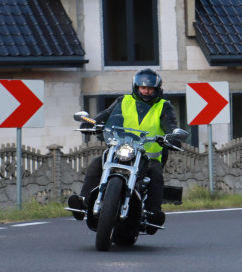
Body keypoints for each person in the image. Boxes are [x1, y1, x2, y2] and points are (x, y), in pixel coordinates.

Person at [68, 69, 178, 232]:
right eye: (142, 88)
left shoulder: (164, 106)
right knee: (97, 162)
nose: (146, 91)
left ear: (157, 89)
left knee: (155, 173)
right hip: (122, 149)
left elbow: (171, 125)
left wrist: (172, 136)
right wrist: (92, 123)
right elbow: (106, 114)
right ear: (136, 87)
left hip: (147, 156)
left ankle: (153, 213)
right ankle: (84, 200)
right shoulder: (124, 101)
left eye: (150, 89)